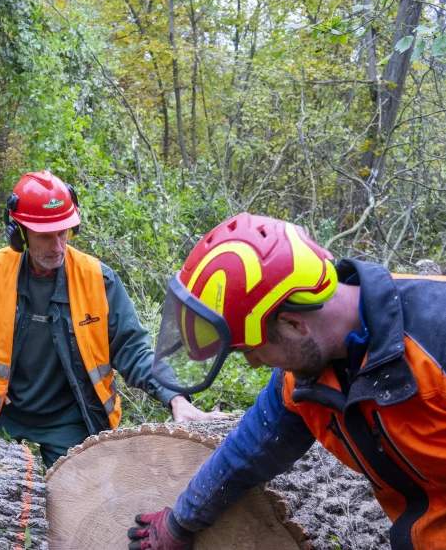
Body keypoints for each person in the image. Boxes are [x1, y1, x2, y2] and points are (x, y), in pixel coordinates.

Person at [128, 212, 446, 550]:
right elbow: (250, 449)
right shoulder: (304, 379)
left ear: (294, 325)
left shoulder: (434, 337)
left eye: (252, 349)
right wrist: (180, 522)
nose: (252, 363)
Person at [0, 171, 231, 469]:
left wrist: (174, 397)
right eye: (45, 237)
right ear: (20, 233)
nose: (58, 247)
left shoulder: (99, 280)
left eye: (64, 232)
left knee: (82, 502)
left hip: (70, 417)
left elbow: (133, 350)